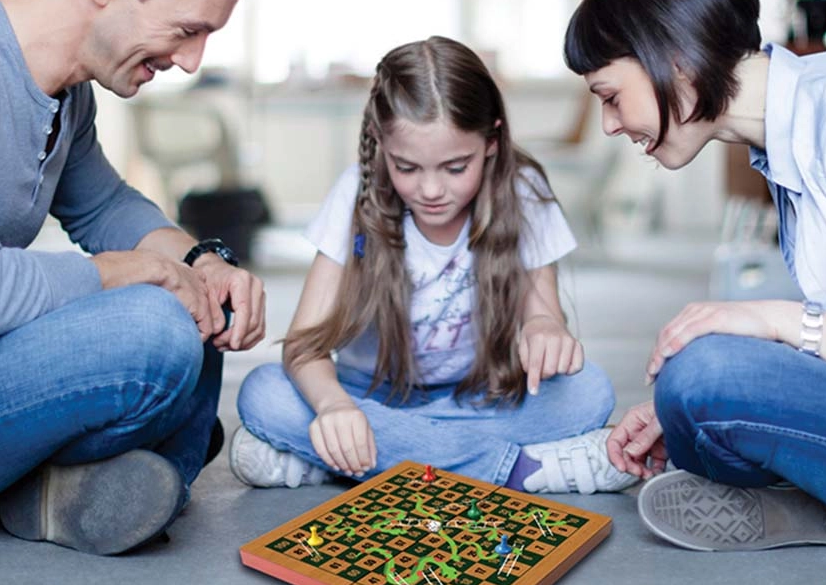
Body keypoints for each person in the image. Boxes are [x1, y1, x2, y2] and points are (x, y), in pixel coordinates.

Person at [0, 0, 274, 555]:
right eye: (187, 29)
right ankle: (70, 480)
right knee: (153, 328)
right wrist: (130, 273)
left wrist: (204, 263)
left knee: (199, 307)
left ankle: (52, 492)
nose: (191, 61)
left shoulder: (68, 92)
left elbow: (107, 206)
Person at [564, 0, 826, 551]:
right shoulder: (791, 124)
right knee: (692, 382)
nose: (610, 124)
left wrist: (776, 323)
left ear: (674, 58)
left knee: (706, 373)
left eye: (611, 97)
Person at [230, 36, 636, 495]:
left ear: (492, 141)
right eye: (407, 168)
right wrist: (332, 406)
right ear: (380, 142)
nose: (430, 191)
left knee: (589, 391)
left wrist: (544, 330)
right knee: (264, 392)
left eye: (455, 167)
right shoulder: (355, 194)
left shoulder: (524, 191)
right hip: (372, 395)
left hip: (479, 396)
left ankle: (344, 461)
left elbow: (545, 317)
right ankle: (521, 470)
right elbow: (304, 346)